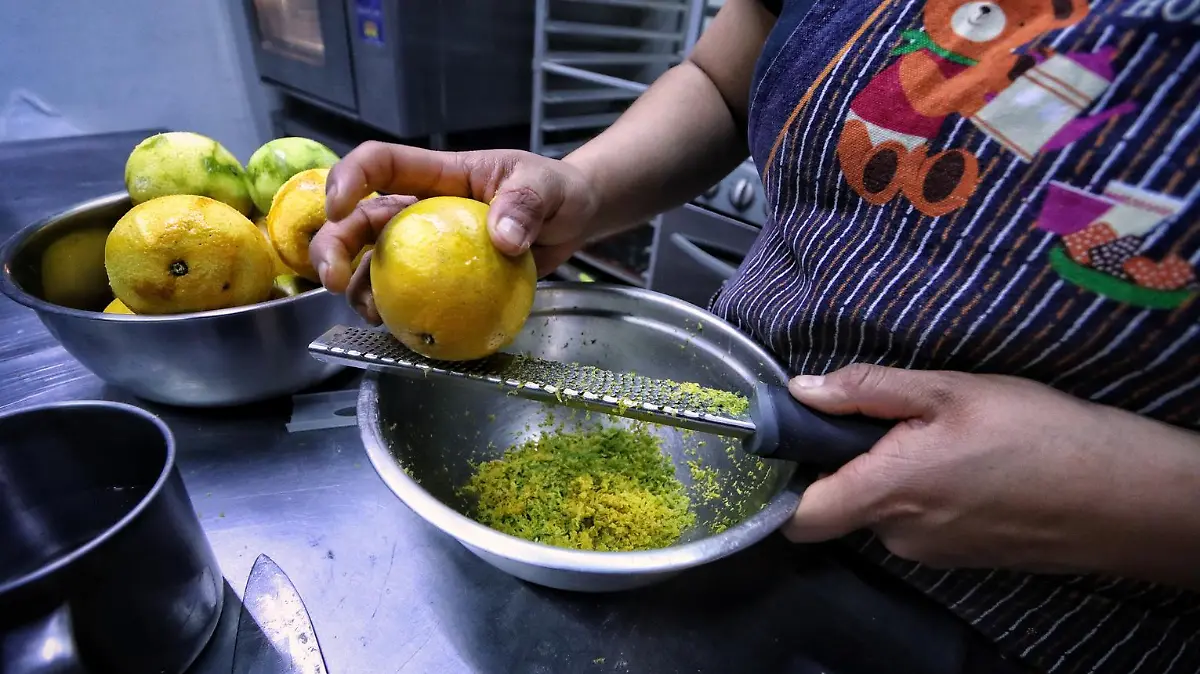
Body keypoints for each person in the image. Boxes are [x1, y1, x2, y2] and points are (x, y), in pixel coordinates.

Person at [311, 0, 1200, 671]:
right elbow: (727, 76)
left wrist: (1130, 501)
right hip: (738, 462)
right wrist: (582, 184)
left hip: (1048, 630)